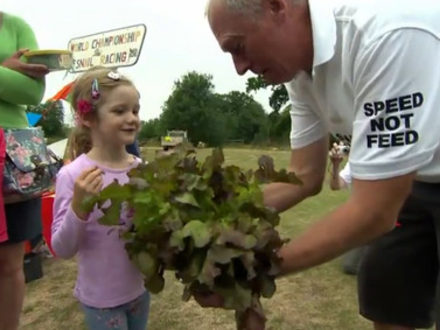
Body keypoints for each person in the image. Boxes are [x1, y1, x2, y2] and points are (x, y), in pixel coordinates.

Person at [206, 0, 440, 329]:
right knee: (387, 298)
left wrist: (252, 267)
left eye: (238, 47)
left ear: (276, 7)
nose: (240, 67)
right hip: (413, 177)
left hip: (403, 180)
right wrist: (214, 217)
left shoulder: (385, 34)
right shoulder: (298, 71)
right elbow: (304, 175)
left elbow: (375, 210)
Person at [51, 67, 150, 330]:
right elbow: (61, 249)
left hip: (140, 290)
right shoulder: (73, 176)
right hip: (101, 300)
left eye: (135, 110)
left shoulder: (142, 169)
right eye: (120, 111)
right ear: (88, 117)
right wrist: (79, 208)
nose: (131, 118)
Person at [0, 11, 49, 330]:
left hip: (12, 156)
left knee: (9, 263)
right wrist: (5, 71)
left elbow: (33, 92)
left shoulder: (17, 26)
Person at [328, 142, 366, 275]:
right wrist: (335, 164)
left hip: (392, 219)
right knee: (350, 266)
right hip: (363, 221)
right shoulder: (355, 162)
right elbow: (336, 185)